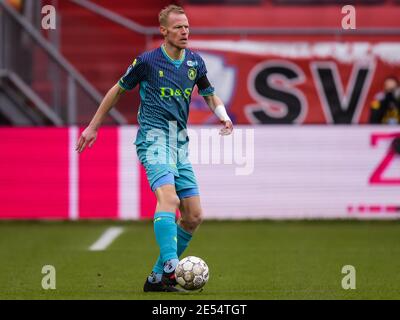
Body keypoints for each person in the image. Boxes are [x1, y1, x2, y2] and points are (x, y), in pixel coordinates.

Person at [76, 5, 233, 292]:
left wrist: (223, 116)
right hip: (154, 139)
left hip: (179, 143)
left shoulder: (195, 62)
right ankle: (173, 268)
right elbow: (118, 90)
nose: (185, 31)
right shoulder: (147, 62)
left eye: (186, 26)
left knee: (194, 215)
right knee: (169, 201)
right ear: (164, 31)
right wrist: (93, 126)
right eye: (178, 27)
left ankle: (157, 277)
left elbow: (209, 94)